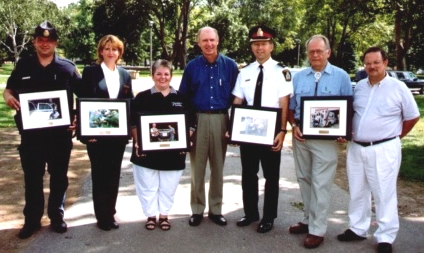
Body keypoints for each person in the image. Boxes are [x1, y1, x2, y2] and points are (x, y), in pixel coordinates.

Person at [2, 21, 81, 239]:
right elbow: (8, 90)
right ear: (34, 42)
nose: (44, 44)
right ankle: (32, 220)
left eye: (49, 40)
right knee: (33, 179)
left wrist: (77, 120)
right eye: (40, 40)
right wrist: (9, 98)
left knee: (59, 177)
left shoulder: (67, 68)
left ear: (55, 43)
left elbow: (83, 97)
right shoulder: (24, 65)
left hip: (59, 136)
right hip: (31, 136)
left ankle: (57, 216)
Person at [336, 47, 420, 253]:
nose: (371, 66)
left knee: (384, 192)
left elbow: (412, 116)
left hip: (384, 148)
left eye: (376, 62)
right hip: (356, 147)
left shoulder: (398, 87)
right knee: (357, 190)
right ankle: (357, 228)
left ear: (386, 63)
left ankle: (385, 237)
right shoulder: (360, 87)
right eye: (368, 63)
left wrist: (393, 137)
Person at [287, 34, 353, 248]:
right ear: (307, 53)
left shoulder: (341, 76)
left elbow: (348, 108)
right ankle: (308, 219)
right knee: (304, 178)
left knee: (321, 183)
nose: (315, 55)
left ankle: (317, 229)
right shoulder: (299, 77)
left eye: (319, 51)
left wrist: (345, 131)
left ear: (328, 52)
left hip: (326, 140)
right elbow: (291, 107)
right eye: (311, 51)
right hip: (301, 137)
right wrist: (294, 126)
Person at [232, 26, 292, 233]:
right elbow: (238, 100)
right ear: (252, 48)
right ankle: (250, 213)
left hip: (271, 128)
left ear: (271, 46)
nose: (259, 48)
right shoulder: (245, 72)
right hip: (248, 127)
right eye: (255, 44)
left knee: (271, 175)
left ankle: (268, 217)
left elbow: (284, 103)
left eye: (263, 44)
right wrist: (233, 127)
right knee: (248, 173)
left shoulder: (282, 72)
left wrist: (282, 131)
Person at [178, 26, 239, 226]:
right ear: (198, 43)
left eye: (212, 40)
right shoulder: (192, 67)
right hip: (198, 119)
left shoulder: (230, 66)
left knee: (218, 168)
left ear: (218, 40)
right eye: (205, 41)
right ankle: (197, 209)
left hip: (221, 119)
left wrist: (234, 125)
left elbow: (239, 98)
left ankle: (216, 209)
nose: (209, 44)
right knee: (197, 168)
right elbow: (183, 99)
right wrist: (188, 126)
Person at [78, 34, 133, 231]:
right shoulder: (91, 72)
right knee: (100, 174)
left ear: (119, 52)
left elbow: (129, 103)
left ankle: (110, 212)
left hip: (117, 136)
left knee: (113, 174)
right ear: (101, 51)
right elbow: (84, 101)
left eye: (115, 49)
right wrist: (85, 134)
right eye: (107, 48)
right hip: (96, 135)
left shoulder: (124, 75)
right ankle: (102, 216)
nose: (111, 52)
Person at [131, 59, 193, 231]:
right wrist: (137, 141)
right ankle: (151, 215)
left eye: (166, 74)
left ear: (171, 76)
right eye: (158, 73)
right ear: (152, 75)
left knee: (168, 186)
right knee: (147, 185)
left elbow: (191, 124)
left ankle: (164, 215)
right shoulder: (142, 97)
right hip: (145, 153)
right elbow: (133, 123)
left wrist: (185, 140)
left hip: (173, 153)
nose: (162, 77)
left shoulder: (181, 98)